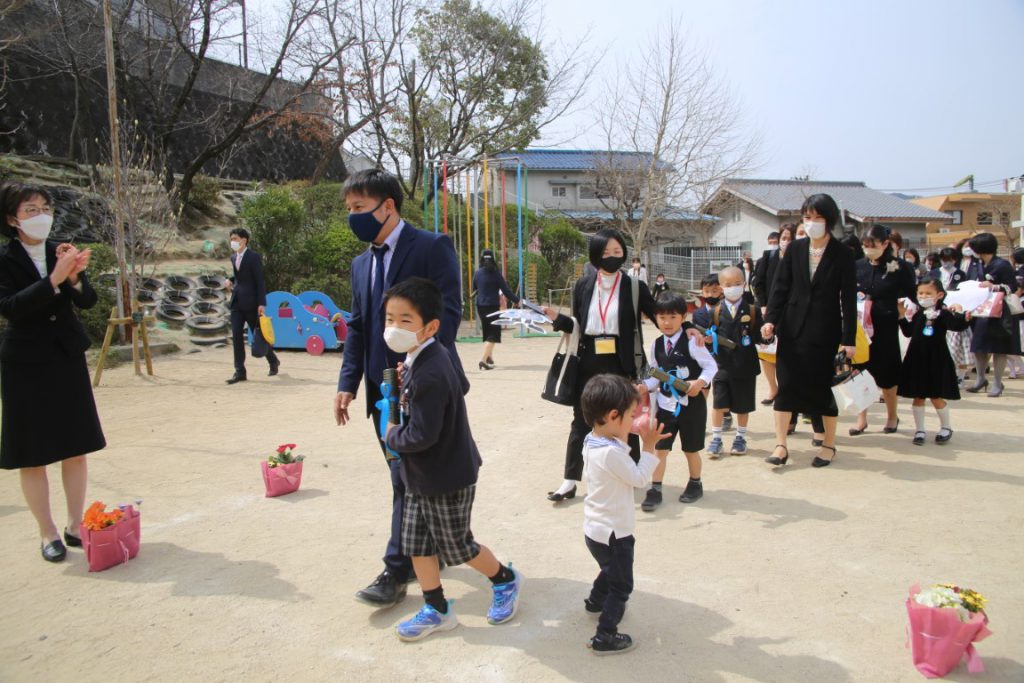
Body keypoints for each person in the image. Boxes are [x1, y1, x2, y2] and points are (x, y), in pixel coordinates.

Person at [334, 169, 462, 609]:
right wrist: (348, 383)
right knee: (405, 475)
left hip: (423, 387)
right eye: (349, 209)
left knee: (407, 477)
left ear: (387, 206)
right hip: (381, 393)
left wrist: (419, 367)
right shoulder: (360, 264)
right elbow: (357, 327)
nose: (352, 216)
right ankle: (429, 549)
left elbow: (448, 313)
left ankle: (396, 569)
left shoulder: (431, 247)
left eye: (359, 208)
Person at [381, 278, 521, 641]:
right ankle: (437, 608)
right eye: (390, 319)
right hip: (420, 475)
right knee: (417, 544)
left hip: (446, 476)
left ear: (430, 327)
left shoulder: (431, 370)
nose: (394, 328)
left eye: (405, 321)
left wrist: (391, 435)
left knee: (458, 546)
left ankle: (505, 579)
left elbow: (421, 435)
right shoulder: (422, 356)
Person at [540, 228, 698, 503]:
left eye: (617, 251)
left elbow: (660, 315)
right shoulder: (583, 285)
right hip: (588, 359)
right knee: (582, 419)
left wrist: (688, 327)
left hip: (622, 360)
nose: (613, 257)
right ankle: (570, 480)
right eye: (606, 252)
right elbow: (578, 325)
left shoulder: (634, 286)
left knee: (627, 417)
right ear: (595, 255)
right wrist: (557, 319)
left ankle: (631, 473)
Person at [0, 181, 105, 562]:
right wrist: (54, 280)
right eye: (31, 209)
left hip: (65, 356)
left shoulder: (59, 251)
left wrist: (74, 277)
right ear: (12, 219)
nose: (41, 215)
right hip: (25, 363)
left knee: (75, 446)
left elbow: (88, 301)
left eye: (46, 208)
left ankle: (75, 525)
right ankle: (47, 532)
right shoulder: (5, 258)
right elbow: (10, 307)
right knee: (33, 454)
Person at [761, 193, 857, 468]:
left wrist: (848, 339)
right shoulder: (795, 248)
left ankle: (828, 444)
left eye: (818, 217)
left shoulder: (843, 254)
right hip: (792, 328)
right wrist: (771, 320)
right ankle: (781, 444)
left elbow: (848, 300)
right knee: (786, 386)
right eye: (807, 217)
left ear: (830, 220)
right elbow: (780, 287)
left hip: (825, 330)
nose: (812, 222)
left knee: (822, 388)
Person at [579, 373, 663, 655]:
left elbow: (619, 452)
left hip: (595, 530)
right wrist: (649, 447)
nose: (633, 420)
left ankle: (595, 600)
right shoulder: (611, 454)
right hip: (616, 534)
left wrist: (627, 430)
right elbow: (639, 479)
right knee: (622, 586)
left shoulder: (592, 440)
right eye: (630, 415)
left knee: (609, 570)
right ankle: (605, 635)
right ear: (613, 415)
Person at [638, 292, 717, 511]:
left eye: (673, 317)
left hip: (691, 406)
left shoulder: (693, 341)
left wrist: (700, 382)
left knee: (691, 449)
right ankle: (655, 488)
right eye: (662, 317)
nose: (667, 322)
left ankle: (695, 483)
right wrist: (645, 386)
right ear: (655, 318)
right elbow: (656, 374)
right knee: (660, 449)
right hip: (665, 406)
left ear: (683, 317)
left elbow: (711, 366)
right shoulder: (656, 344)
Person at [849, 224, 917, 436]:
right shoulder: (858, 266)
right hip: (860, 329)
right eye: (865, 244)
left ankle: (892, 415)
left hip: (885, 327)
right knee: (859, 373)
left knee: (888, 375)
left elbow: (913, 295)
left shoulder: (899, 267)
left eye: (873, 244)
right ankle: (861, 418)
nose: (868, 248)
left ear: (885, 244)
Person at [694, 266, 763, 458]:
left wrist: (767, 336)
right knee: (718, 403)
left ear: (744, 284)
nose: (733, 288)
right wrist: (708, 340)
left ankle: (740, 437)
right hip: (722, 365)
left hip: (745, 365)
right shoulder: (715, 312)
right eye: (728, 284)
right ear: (721, 287)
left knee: (743, 405)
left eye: (737, 284)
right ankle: (716, 438)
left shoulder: (753, 310)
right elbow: (710, 335)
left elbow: (758, 337)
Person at [896, 277, 969, 445]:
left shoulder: (943, 313)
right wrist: (901, 316)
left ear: (939, 295)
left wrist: (959, 312)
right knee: (918, 396)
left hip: (936, 359)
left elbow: (957, 325)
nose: (923, 296)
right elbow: (908, 332)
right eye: (920, 293)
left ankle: (946, 427)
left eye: (928, 293)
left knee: (936, 396)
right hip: (917, 358)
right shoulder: (919, 314)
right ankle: (920, 430)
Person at [964, 232, 1021, 397]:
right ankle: (981, 379)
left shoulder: (1002, 265)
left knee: (999, 348)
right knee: (979, 346)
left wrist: (994, 286)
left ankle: (997, 382)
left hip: (1001, 312)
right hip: (982, 311)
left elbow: (1012, 287)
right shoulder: (977, 264)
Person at [225, 228, 280, 384]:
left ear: (244, 240)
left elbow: (259, 280)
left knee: (259, 336)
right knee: (236, 336)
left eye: (235, 239)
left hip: (251, 303)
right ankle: (239, 371)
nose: (232, 242)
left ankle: (273, 360)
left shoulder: (253, 257)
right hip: (236, 302)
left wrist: (261, 303)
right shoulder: (233, 257)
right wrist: (230, 280)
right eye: (231, 239)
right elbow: (239, 276)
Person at [754, 225, 793, 405]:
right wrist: (763, 305)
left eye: (790, 238)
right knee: (766, 351)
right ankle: (773, 388)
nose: (786, 242)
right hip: (770, 311)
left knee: (789, 353)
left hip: (792, 313)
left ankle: (790, 390)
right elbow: (758, 282)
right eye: (783, 238)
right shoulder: (769, 257)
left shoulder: (802, 259)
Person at [692, 273, 733, 432]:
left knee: (721, 388)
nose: (710, 294)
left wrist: (718, 339)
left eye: (714, 291)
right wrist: (702, 338)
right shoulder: (698, 313)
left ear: (721, 290)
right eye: (707, 291)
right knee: (704, 387)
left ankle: (726, 414)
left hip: (723, 356)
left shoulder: (727, 311)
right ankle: (700, 422)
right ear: (702, 292)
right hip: (704, 356)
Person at [472, 248, 519, 370]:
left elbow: (474, 288)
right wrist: (517, 300)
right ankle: (483, 360)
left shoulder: (477, 273)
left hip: (480, 306)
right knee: (493, 334)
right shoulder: (496, 274)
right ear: (493, 259)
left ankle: (489, 357)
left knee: (487, 332)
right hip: (492, 307)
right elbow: (506, 291)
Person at [934, 247, 972, 384]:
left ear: (955, 260)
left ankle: (960, 377)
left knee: (958, 348)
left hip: (956, 313)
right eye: (944, 260)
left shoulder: (960, 274)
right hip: (939, 312)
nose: (946, 263)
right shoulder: (934, 273)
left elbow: (965, 293)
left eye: (949, 260)